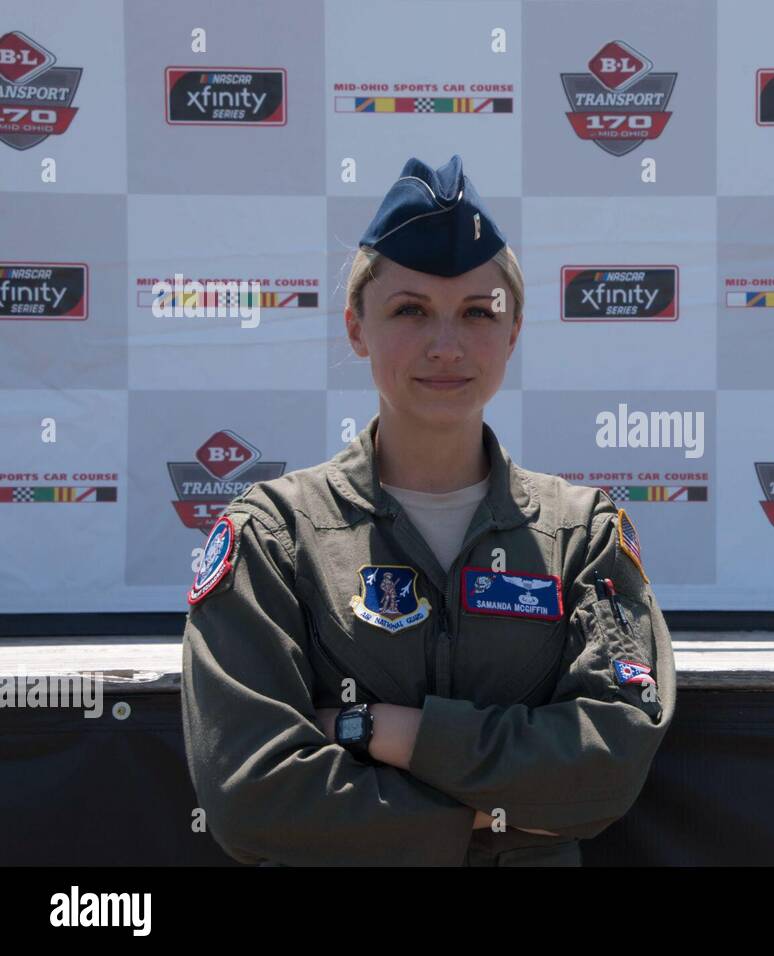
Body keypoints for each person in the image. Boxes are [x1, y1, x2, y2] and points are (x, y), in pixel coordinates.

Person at [180, 154, 676, 866]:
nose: (446, 346)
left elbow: (607, 765)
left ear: (514, 332)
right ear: (357, 328)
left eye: (478, 313)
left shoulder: (580, 534)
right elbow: (250, 795)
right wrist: (497, 815)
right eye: (410, 310)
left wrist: (377, 728)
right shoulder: (273, 535)